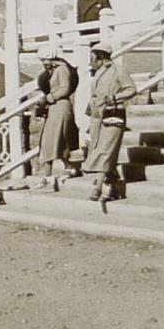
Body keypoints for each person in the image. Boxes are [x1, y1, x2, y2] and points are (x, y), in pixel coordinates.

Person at [84, 42, 137, 207]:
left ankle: (98, 186)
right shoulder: (97, 73)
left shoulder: (118, 70)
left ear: (101, 57)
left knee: (105, 150)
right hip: (97, 117)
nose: (90, 61)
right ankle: (113, 187)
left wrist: (115, 98)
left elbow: (131, 89)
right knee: (101, 149)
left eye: (92, 58)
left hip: (113, 114)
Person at [35, 49, 79, 193]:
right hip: (55, 108)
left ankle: (48, 178)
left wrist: (49, 98)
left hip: (61, 107)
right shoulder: (53, 71)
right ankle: (69, 168)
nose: (44, 63)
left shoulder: (62, 69)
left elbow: (65, 89)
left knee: (51, 141)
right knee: (55, 141)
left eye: (45, 60)